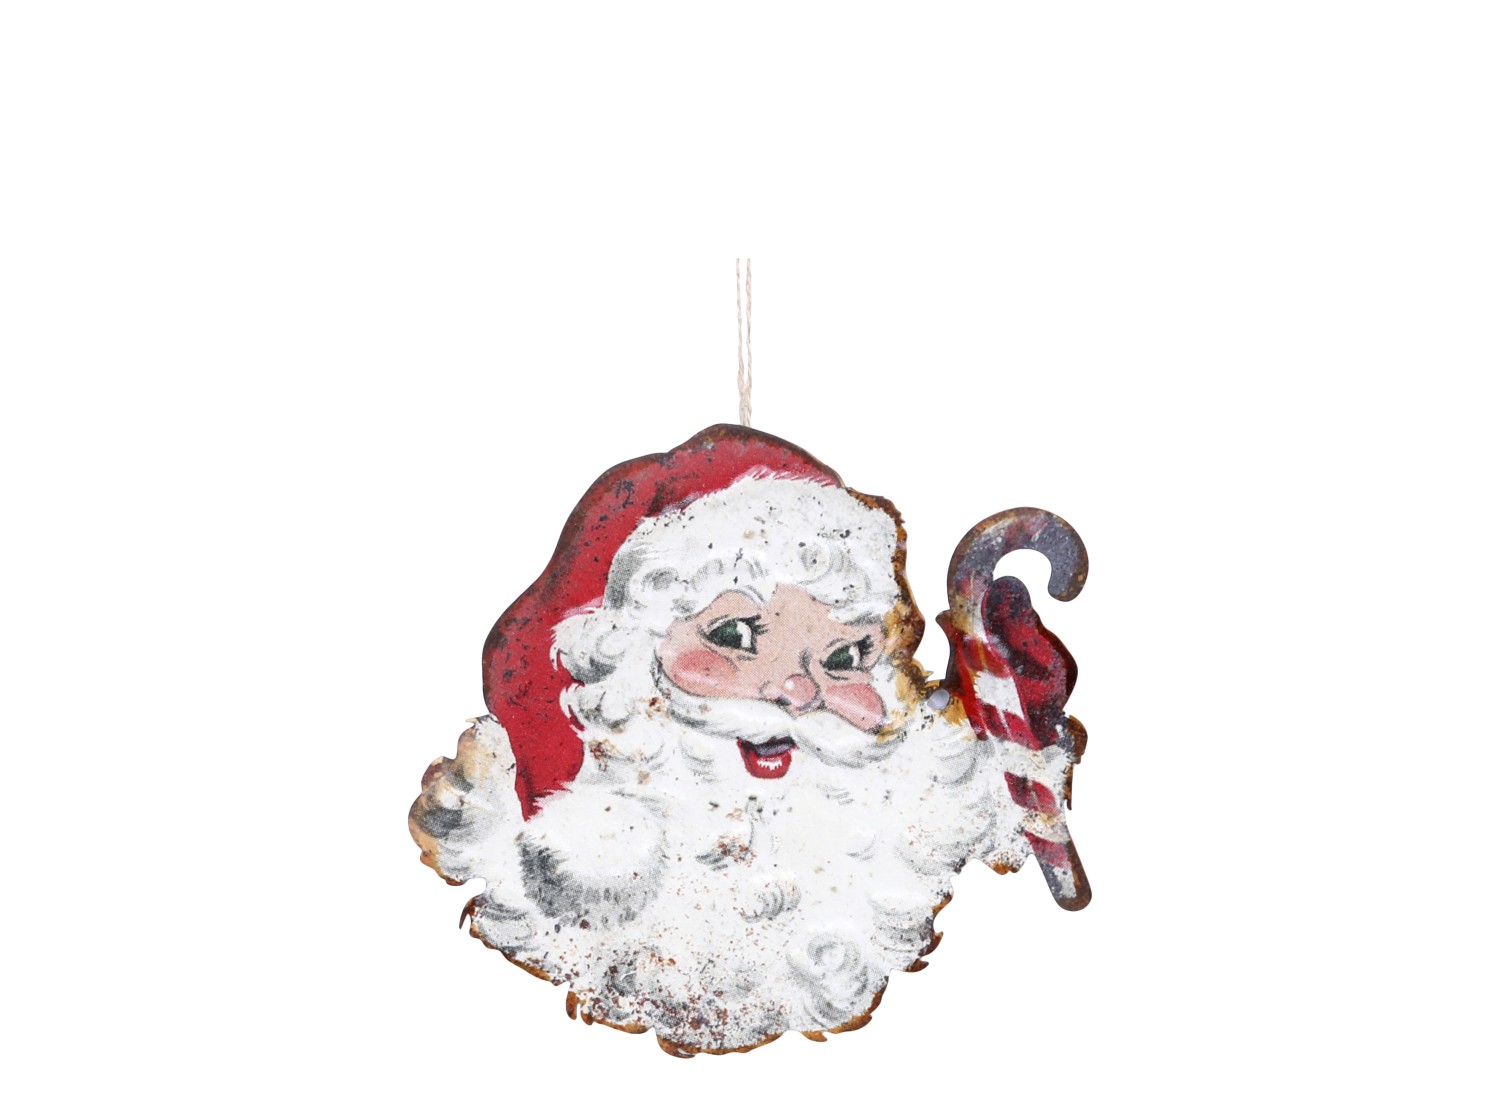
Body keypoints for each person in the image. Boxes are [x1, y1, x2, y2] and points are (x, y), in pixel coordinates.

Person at [411, 426, 1088, 1055]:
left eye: (845, 656)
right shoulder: (595, 808)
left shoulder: (905, 799)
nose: (795, 692)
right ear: (626, 657)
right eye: (735, 637)